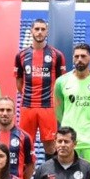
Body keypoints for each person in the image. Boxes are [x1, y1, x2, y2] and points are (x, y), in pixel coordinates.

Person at [15, 18, 67, 158]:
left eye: (42, 29)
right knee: (25, 144)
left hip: (48, 106)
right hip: (27, 106)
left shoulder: (57, 55)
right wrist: (28, 95)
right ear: (31, 30)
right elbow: (19, 81)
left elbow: (61, 82)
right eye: (36, 29)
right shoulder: (21, 55)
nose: (39, 32)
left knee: (50, 146)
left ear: (47, 32)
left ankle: (51, 178)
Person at [55, 44, 90, 171]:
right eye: (76, 56)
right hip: (69, 140)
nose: (79, 59)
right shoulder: (61, 82)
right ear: (73, 58)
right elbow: (58, 111)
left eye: (83, 56)